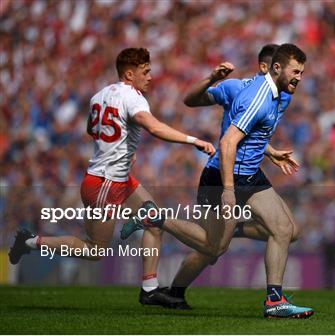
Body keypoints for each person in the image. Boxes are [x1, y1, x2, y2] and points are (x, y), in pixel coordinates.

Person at [8, 47, 216, 308]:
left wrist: (121, 148)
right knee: (95, 250)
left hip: (116, 178)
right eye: (146, 71)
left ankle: (149, 289)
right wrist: (193, 140)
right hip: (105, 183)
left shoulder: (99, 95)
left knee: (154, 218)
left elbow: (90, 128)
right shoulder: (133, 97)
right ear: (129, 74)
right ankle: (29, 242)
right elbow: (152, 126)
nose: (151, 76)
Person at [123, 43, 314, 318]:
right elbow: (227, 142)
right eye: (295, 71)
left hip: (249, 173)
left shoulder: (282, 93)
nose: (299, 77)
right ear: (272, 68)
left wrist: (269, 152)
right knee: (213, 248)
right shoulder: (252, 94)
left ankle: (274, 301)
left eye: (302, 72)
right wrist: (227, 191)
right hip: (224, 176)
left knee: (286, 230)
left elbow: (253, 132)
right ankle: (155, 218)